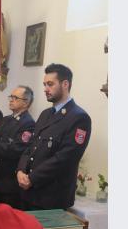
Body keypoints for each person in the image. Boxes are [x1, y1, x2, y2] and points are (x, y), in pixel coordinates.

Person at [16, 64, 91, 210]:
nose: (45, 89)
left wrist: (32, 178)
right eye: (44, 84)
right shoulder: (45, 114)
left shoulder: (79, 117)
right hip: (29, 193)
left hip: (51, 197)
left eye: (50, 84)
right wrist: (20, 170)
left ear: (65, 84)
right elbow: (31, 147)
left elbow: (65, 158)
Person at [0, 85, 35, 209]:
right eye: (11, 96)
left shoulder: (28, 124)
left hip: (9, 183)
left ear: (26, 103)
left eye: (15, 97)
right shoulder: (6, 119)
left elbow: (13, 150)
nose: (11, 100)